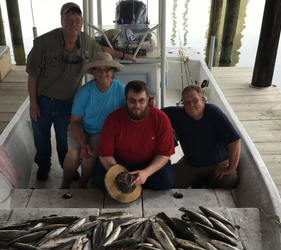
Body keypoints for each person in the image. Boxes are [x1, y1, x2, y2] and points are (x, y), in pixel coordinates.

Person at [26, 2, 135, 181]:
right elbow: (32, 75)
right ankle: (43, 165)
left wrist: (124, 56)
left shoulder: (86, 41)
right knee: (41, 134)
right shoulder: (44, 43)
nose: (73, 24)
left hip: (67, 101)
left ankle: (66, 168)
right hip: (42, 99)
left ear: (82, 23)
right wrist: (33, 102)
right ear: (62, 21)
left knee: (62, 137)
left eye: (77, 20)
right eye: (69, 20)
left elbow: (102, 50)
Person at [93, 80, 176, 191]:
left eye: (141, 101)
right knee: (98, 180)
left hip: (149, 162)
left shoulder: (161, 119)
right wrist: (119, 173)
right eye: (132, 101)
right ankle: (136, 184)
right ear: (125, 100)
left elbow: (164, 154)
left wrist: (146, 173)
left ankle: (138, 184)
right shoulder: (113, 119)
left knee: (167, 180)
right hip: (119, 163)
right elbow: (105, 154)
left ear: (147, 100)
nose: (137, 105)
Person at [60, 52, 125, 189]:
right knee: (73, 154)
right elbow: (75, 121)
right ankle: (64, 185)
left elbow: (132, 109)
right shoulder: (84, 92)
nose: (103, 73)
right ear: (93, 72)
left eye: (107, 69)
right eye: (99, 69)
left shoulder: (121, 90)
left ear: (112, 71)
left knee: (90, 154)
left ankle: (82, 185)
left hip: (102, 131)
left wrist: (149, 104)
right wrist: (83, 143)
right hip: (80, 127)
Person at [162, 84, 241, 189]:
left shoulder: (214, 112)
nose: (191, 105)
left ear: (202, 99)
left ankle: (201, 181)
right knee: (170, 183)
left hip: (218, 163)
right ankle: (199, 180)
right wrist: (149, 105)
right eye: (187, 102)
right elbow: (155, 114)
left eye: (195, 100)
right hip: (191, 164)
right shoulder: (178, 114)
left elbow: (235, 141)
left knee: (229, 180)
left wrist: (231, 167)